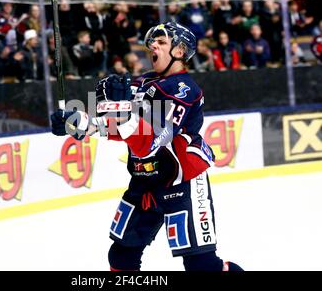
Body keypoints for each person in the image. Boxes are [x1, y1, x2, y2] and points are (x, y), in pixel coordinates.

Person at [50, 22, 243, 272]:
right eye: (152, 42)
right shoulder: (144, 82)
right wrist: (77, 122)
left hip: (181, 182)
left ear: (180, 51)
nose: (153, 45)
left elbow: (151, 141)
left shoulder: (184, 90)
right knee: (121, 257)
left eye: (162, 42)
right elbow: (117, 124)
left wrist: (123, 112)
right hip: (146, 181)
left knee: (202, 266)